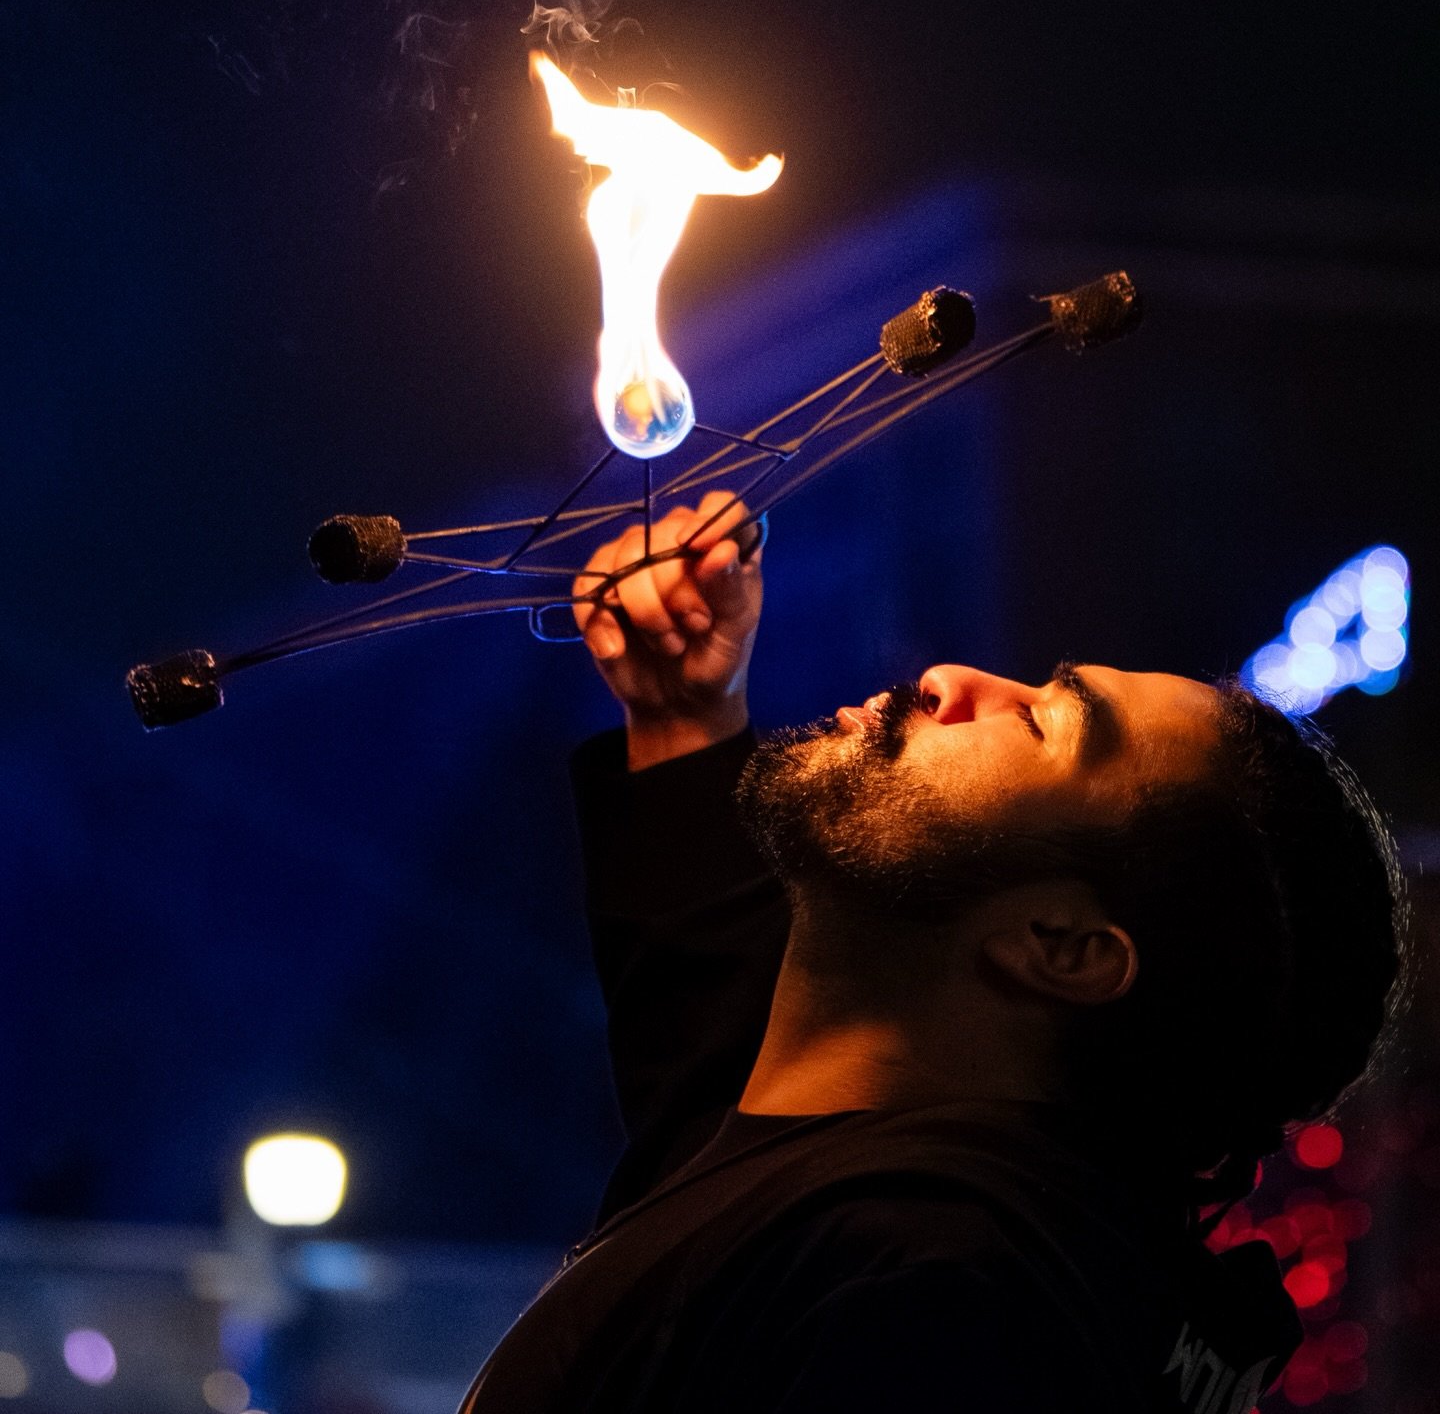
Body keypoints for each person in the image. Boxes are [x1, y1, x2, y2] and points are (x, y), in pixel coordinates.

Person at [463, 492, 1405, 1413]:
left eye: (1040, 722)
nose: (949, 679)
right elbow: (711, 1085)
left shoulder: (928, 1291)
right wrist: (681, 717)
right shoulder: (882, 1205)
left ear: (1061, 947)